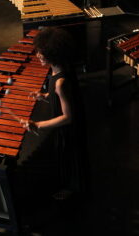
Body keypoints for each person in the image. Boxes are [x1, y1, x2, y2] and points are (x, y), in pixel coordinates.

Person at [21, 27, 87, 199]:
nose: (37, 56)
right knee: (61, 154)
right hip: (63, 123)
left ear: (53, 54)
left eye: (41, 53)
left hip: (69, 129)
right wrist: (44, 96)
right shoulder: (59, 70)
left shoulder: (60, 83)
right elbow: (57, 96)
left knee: (69, 156)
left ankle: (72, 189)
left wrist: (39, 125)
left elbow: (68, 117)